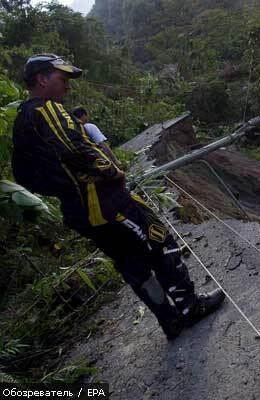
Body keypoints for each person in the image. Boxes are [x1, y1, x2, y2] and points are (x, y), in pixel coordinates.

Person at [11, 54, 225, 340]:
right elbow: (75, 149)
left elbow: (23, 175)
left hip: (81, 210)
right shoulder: (49, 110)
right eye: (62, 79)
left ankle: (170, 321)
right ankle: (189, 307)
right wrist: (111, 171)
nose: (67, 87)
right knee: (159, 240)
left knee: (131, 263)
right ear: (42, 79)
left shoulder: (22, 119)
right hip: (104, 201)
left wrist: (64, 189)